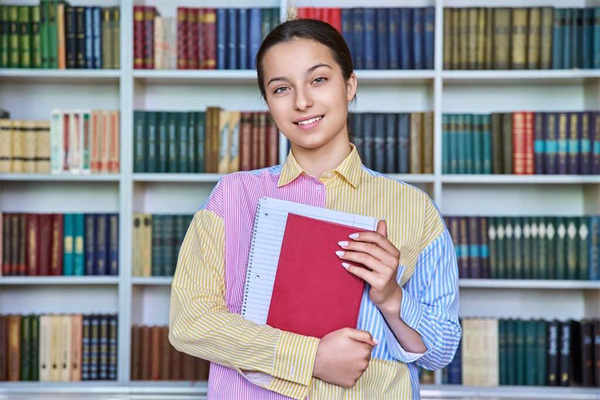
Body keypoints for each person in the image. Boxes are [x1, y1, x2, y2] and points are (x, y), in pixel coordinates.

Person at [169, 18, 461, 400]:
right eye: (281, 88)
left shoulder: (413, 208)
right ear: (268, 103)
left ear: (349, 85)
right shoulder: (233, 196)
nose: (302, 101)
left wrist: (391, 297)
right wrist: (311, 357)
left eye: (318, 80)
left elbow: (440, 352)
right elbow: (190, 323)